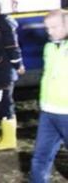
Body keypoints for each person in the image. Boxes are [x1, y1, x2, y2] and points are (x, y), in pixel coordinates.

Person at [30, 10, 68, 183]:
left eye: (54, 27)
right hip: (48, 112)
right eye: (47, 28)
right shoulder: (49, 47)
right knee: (40, 157)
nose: (50, 32)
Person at [0, 0, 25, 150]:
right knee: (0, 103)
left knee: (5, 104)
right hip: (0, 71)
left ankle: (9, 141)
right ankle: (5, 136)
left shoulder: (3, 25)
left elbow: (12, 46)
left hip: (4, 72)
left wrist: (18, 64)